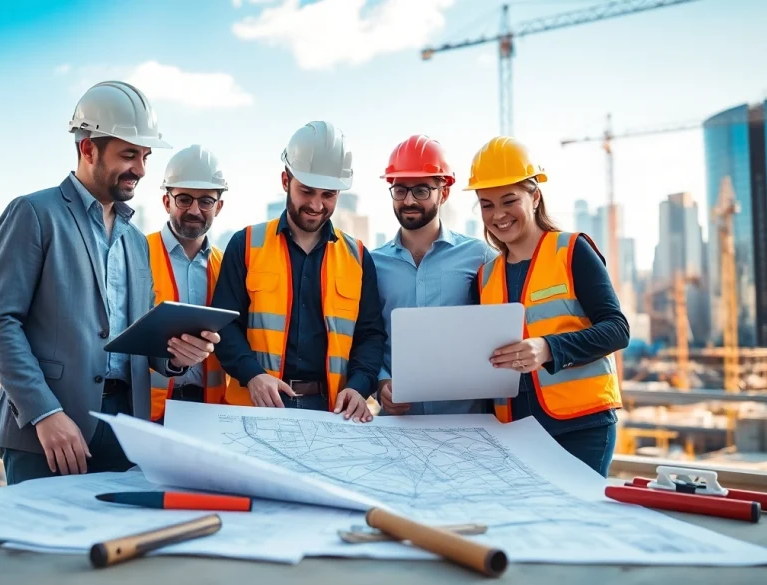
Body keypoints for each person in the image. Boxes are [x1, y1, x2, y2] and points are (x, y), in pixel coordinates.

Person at [0, 81, 220, 484]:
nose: (141, 169)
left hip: (126, 430)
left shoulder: (134, 240)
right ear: (87, 148)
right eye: (129, 155)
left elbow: (141, 340)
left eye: (144, 156)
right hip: (49, 433)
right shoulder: (33, 214)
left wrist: (177, 356)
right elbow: (0, 324)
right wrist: (45, 413)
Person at [464, 136, 629, 477]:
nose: (497, 215)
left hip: (580, 427)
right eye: (486, 204)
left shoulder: (571, 250)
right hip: (512, 431)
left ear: (535, 196)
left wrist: (549, 348)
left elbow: (617, 328)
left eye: (509, 201)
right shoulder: (484, 277)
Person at [210, 121, 387, 423]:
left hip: (332, 410)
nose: (316, 205)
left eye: (328, 194)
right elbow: (224, 326)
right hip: (257, 407)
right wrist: (252, 375)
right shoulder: (246, 244)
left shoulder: (357, 256)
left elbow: (370, 335)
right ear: (285, 180)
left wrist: (360, 387)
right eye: (306, 191)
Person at [371, 135, 496, 416]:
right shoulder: (372, 264)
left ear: (445, 192)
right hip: (397, 422)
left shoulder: (480, 257)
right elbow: (365, 337)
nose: (409, 201)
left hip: (467, 422)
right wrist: (380, 383)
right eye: (400, 190)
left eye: (422, 190)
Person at [146, 144, 230, 422]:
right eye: (184, 199)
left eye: (205, 200)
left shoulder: (227, 266)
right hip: (147, 410)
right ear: (166, 201)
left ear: (219, 206)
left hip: (207, 411)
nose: (194, 209)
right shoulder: (136, 252)